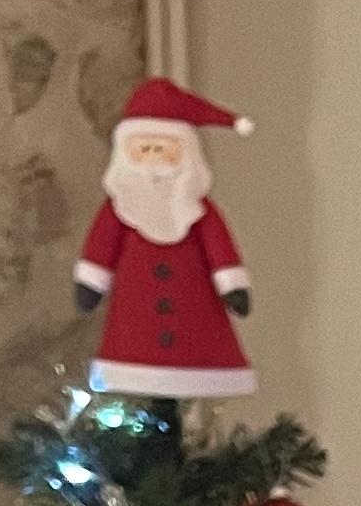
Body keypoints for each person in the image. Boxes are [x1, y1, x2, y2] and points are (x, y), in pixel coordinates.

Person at [73, 76, 257, 398]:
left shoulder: (200, 211)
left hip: (196, 324)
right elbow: (101, 247)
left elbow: (221, 249)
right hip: (133, 332)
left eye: (164, 149)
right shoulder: (118, 209)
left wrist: (232, 287)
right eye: (143, 149)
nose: (153, 159)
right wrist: (91, 283)